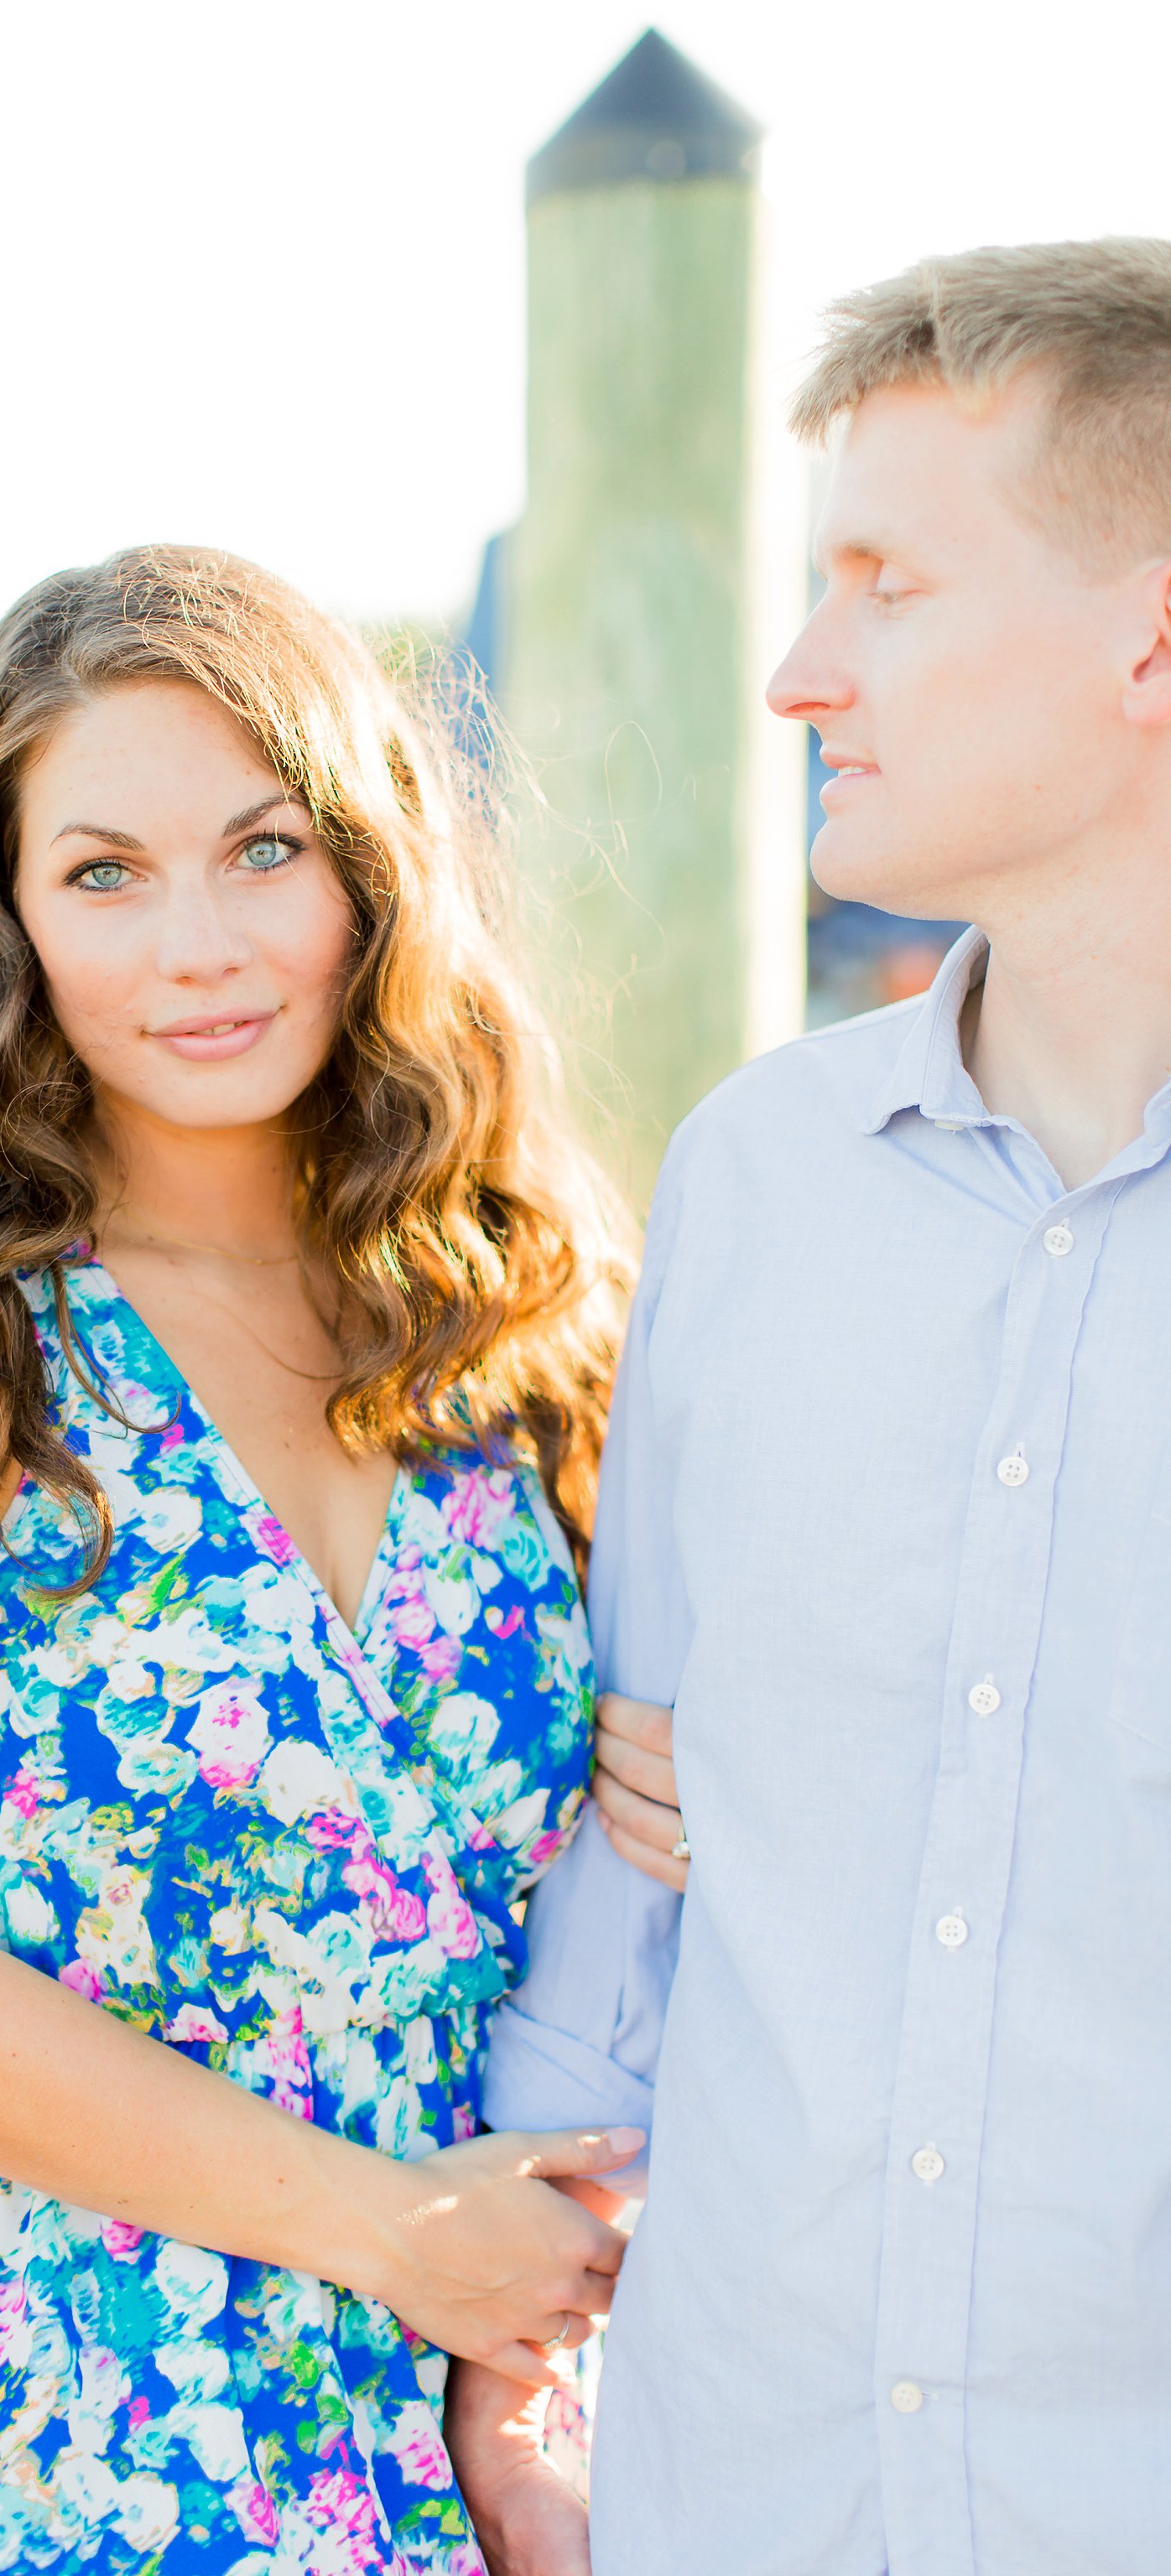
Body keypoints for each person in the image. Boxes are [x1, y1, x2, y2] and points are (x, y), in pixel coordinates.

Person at [0, 547, 650, 2575]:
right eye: (104, 874)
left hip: (507, 2393)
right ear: (6, 920)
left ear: (369, 871)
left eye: (261, 848)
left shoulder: (529, 1304)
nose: (202, 945)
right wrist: (385, 2233)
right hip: (67, 2411)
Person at [448, 237, 1171, 2576]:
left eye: (887, 581)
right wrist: (517, 2389)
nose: (794, 672)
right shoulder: (755, 1178)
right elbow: (632, 1857)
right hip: (731, 2498)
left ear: (1151, 638)